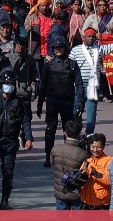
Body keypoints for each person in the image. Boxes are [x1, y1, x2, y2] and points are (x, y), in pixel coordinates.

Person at [0, 69, 35, 210]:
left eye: (10, 83)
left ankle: (5, 200)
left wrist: (28, 138)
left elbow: (26, 121)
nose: (8, 86)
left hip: (10, 141)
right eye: (6, 83)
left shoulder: (19, 102)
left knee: (8, 171)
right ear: (1, 84)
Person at [71, 27, 113, 134]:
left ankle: (89, 135)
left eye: (93, 37)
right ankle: (77, 131)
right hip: (78, 87)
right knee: (75, 112)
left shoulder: (99, 49)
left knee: (91, 114)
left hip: (92, 88)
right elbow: (68, 66)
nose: (91, 39)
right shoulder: (76, 50)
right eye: (89, 37)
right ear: (83, 38)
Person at [39, 36, 85, 166]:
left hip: (67, 102)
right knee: (50, 130)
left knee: (69, 131)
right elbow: (42, 85)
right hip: (52, 101)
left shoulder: (72, 64)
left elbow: (79, 84)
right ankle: (48, 157)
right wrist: (39, 103)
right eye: (56, 47)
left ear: (65, 48)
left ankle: (68, 157)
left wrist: (80, 101)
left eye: (60, 47)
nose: (58, 50)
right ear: (53, 49)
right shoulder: (48, 66)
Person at [51, 120, 91, 210]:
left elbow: (53, 165)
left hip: (60, 191)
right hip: (76, 192)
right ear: (79, 134)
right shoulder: (83, 153)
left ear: (65, 133)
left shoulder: (55, 149)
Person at [79, 133, 112, 210]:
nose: (95, 150)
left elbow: (109, 180)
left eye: (98, 147)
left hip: (101, 205)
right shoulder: (87, 161)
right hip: (86, 204)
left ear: (103, 147)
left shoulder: (109, 160)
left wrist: (93, 172)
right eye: (93, 147)